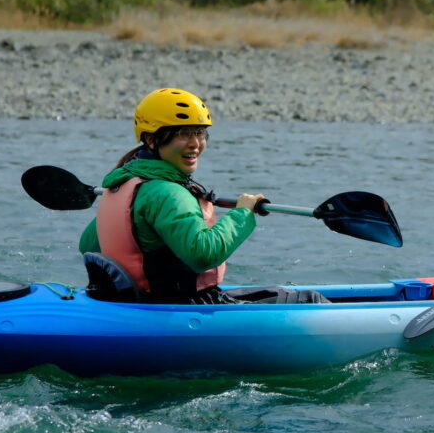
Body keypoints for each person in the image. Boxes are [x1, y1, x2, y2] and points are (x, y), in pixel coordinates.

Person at [79, 87, 325, 305]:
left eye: (200, 133)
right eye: (183, 134)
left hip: (136, 301)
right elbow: (202, 254)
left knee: (279, 293)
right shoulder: (168, 193)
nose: (195, 143)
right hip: (181, 307)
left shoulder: (120, 185)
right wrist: (243, 213)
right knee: (311, 301)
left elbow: (88, 245)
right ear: (152, 139)